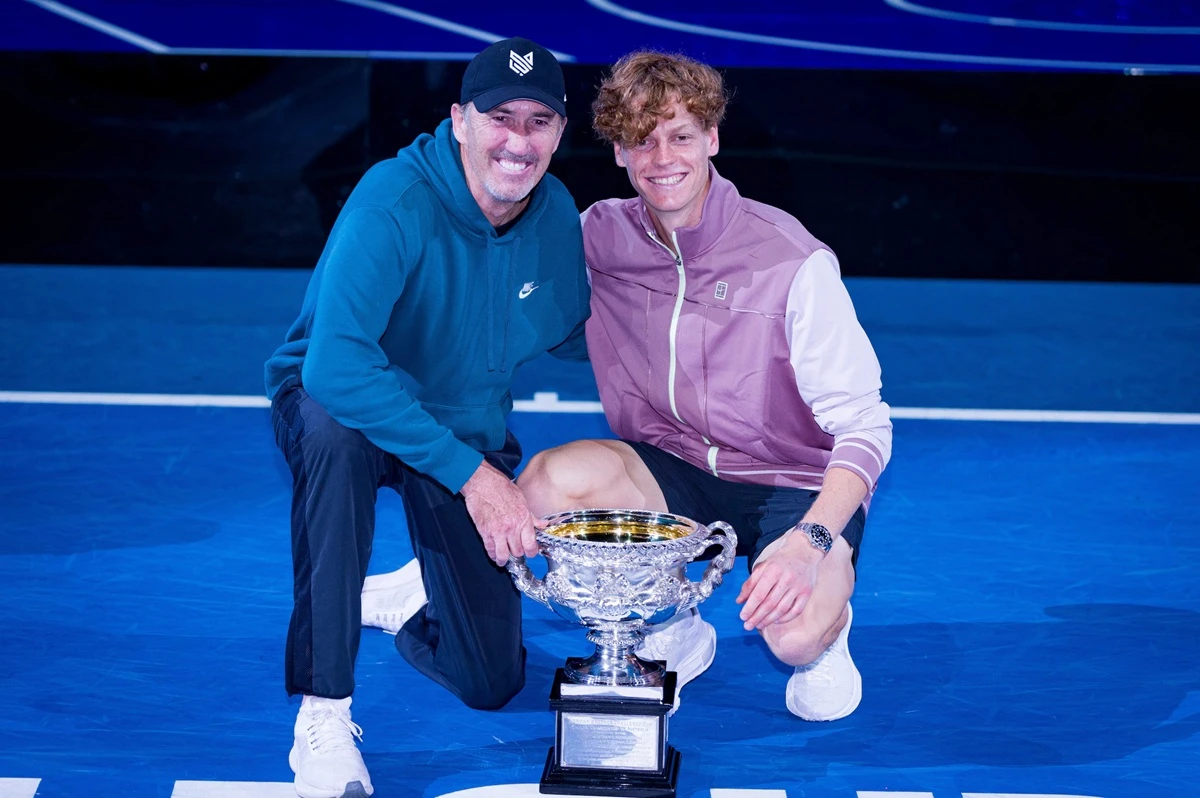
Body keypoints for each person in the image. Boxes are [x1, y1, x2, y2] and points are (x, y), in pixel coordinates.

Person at [516, 51, 892, 721]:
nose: (663, 157)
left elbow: (865, 428)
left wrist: (811, 544)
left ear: (712, 139)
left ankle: (829, 633)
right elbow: (500, 282)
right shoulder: (599, 236)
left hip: (792, 481)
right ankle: (673, 624)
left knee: (795, 635)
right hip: (672, 468)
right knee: (546, 483)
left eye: (681, 135)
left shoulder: (790, 259)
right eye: (642, 139)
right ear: (620, 154)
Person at [264, 37, 589, 798]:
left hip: (460, 424)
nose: (518, 140)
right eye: (499, 117)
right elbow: (335, 366)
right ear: (460, 121)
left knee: (491, 680)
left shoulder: (556, 214)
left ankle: (412, 597)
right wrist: (476, 478)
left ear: (560, 133)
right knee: (333, 436)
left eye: (539, 121)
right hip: (345, 405)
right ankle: (323, 713)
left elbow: (579, 333)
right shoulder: (394, 198)